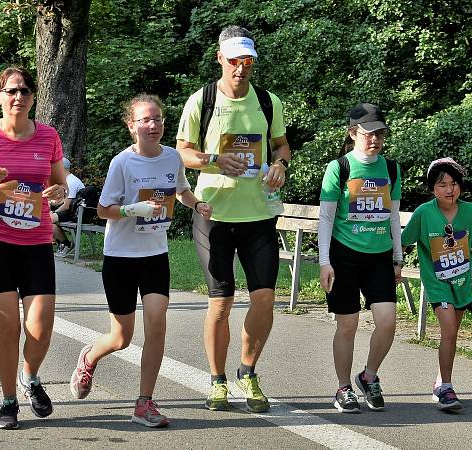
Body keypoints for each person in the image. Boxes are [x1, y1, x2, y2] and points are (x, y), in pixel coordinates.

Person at [69, 94, 212, 427]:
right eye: (146, 120)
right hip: (120, 257)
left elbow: (181, 190)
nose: (154, 125)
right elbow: (104, 210)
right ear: (131, 125)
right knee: (121, 338)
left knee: (157, 324)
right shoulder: (122, 163)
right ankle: (89, 356)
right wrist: (136, 209)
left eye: (158, 119)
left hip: (155, 255)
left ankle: (144, 403)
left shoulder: (173, 157)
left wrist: (197, 204)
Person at [175, 26, 291, 412]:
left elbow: (282, 145)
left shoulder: (268, 100)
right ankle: (217, 379)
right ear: (219, 59)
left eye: (247, 61)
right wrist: (213, 160)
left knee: (264, 299)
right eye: (233, 61)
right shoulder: (201, 100)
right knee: (221, 303)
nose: (240, 69)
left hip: (259, 214)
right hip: (215, 214)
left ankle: (248, 371)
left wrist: (280, 165)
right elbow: (182, 154)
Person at [0, 66, 68, 430]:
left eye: (24, 90)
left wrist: (59, 194)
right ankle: (8, 401)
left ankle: (30, 376)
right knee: (8, 329)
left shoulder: (48, 136)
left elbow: (59, 187)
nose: (18, 97)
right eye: (10, 91)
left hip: (36, 242)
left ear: (33, 96)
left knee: (40, 329)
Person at [318, 103, 403, 413]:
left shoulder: (391, 169)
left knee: (387, 321)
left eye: (380, 134)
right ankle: (343, 388)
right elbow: (326, 218)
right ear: (353, 133)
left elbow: (393, 216)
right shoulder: (338, 168)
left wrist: (398, 256)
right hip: (344, 255)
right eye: (369, 134)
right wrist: (324, 261)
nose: (375, 140)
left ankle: (368, 376)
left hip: (379, 255)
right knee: (348, 325)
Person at [402, 158, 472, 411]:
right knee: (449, 330)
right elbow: (404, 241)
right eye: (442, 184)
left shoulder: (471, 211)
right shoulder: (424, 212)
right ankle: (446, 388)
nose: (449, 189)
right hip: (437, 284)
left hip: (462, 284)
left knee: (451, 336)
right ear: (433, 188)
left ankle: (440, 381)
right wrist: (395, 266)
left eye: (454, 183)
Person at [50, 157, 85, 256]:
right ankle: (62, 243)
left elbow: (66, 205)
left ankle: (67, 244)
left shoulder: (71, 181)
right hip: (72, 210)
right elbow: (63, 201)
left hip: (76, 213)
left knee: (47, 219)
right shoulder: (67, 180)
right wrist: (51, 204)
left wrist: (55, 212)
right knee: (47, 219)